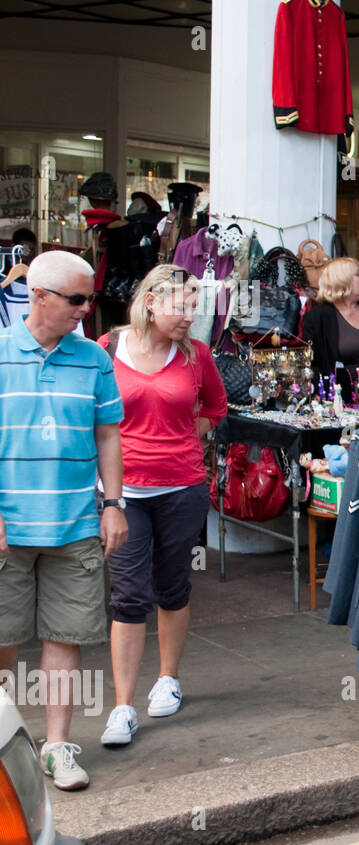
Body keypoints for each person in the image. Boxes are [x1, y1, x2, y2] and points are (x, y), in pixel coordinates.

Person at [0, 251, 127, 790]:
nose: (86, 308)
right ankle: (6, 753)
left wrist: (114, 503)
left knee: (64, 636)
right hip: (8, 524)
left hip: (75, 522)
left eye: (90, 297)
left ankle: (56, 747)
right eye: (76, 299)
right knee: (2, 641)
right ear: (39, 296)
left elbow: (108, 433)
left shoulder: (94, 359)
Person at [95, 265, 227, 748]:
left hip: (182, 487)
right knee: (128, 595)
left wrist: (188, 436)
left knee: (172, 586)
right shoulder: (106, 350)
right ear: (150, 302)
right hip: (123, 493)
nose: (189, 316)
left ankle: (168, 677)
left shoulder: (198, 356)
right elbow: (92, 413)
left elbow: (216, 406)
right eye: (180, 305)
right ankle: (123, 706)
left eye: (195, 306)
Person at [302, 257, 359, 402]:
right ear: (342, 280)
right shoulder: (319, 318)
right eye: (357, 274)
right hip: (342, 399)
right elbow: (312, 364)